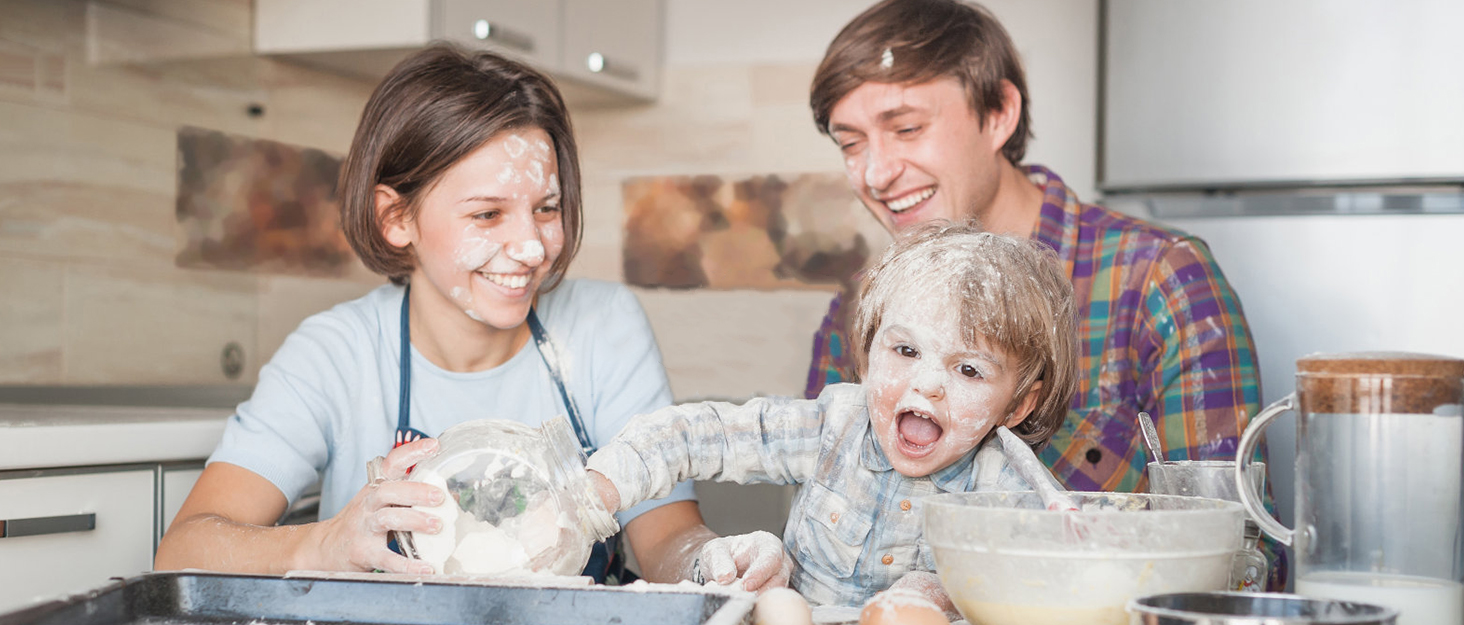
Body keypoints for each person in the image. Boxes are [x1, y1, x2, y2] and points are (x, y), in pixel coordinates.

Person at [154, 45, 716, 582]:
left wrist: (715, 564)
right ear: (396, 219)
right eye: (488, 214)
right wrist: (321, 543)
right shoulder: (335, 354)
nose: (532, 248)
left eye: (546, 209)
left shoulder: (603, 326)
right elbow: (183, 550)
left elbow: (667, 538)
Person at [801, 0, 1286, 590]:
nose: (876, 174)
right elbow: (820, 545)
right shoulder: (856, 313)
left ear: (1000, 113)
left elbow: (1238, 560)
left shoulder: (1159, 279)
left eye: (906, 129)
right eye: (851, 143)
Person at [587, 223, 1079, 608]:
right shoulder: (835, 428)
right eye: (906, 349)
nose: (927, 384)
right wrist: (594, 494)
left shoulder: (1011, 490)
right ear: (867, 359)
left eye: (969, 369)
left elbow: (1064, 575)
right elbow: (699, 436)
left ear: (1017, 405)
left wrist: (938, 592)